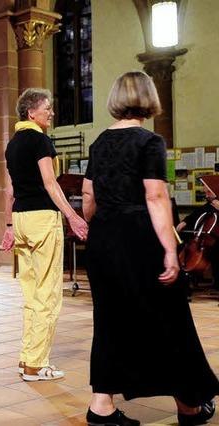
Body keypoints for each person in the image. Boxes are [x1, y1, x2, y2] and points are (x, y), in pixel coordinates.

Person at [82, 71, 219, 426]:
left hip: (103, 239)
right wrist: (170, 250)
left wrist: (103, 227)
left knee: (110, 319)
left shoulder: (98, 143)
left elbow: (88, 197)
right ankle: (189, 406)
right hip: (140, 238)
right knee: (169, 318)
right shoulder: (149, 141)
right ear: (148, 98)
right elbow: (155, 196)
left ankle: (101, 406)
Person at [1, 88, 88, 382]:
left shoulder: (12, 144)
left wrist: (9, 226)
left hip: (21, 219)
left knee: (30, 294)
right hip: (42, 219)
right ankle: (37, 365)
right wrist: (73, 216)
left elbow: (10, 190)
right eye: (47, 108)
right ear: (31, 113)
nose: (51, 112)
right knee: (48, 295)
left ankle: (28, 357)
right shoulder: (40, 140)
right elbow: (51, 185)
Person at [176, 186, 219, 289]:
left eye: (209, 192)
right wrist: (185, 221)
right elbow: (198, 213)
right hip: (205, 240)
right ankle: (188, 279)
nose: (206, 195)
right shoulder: (210, 205)